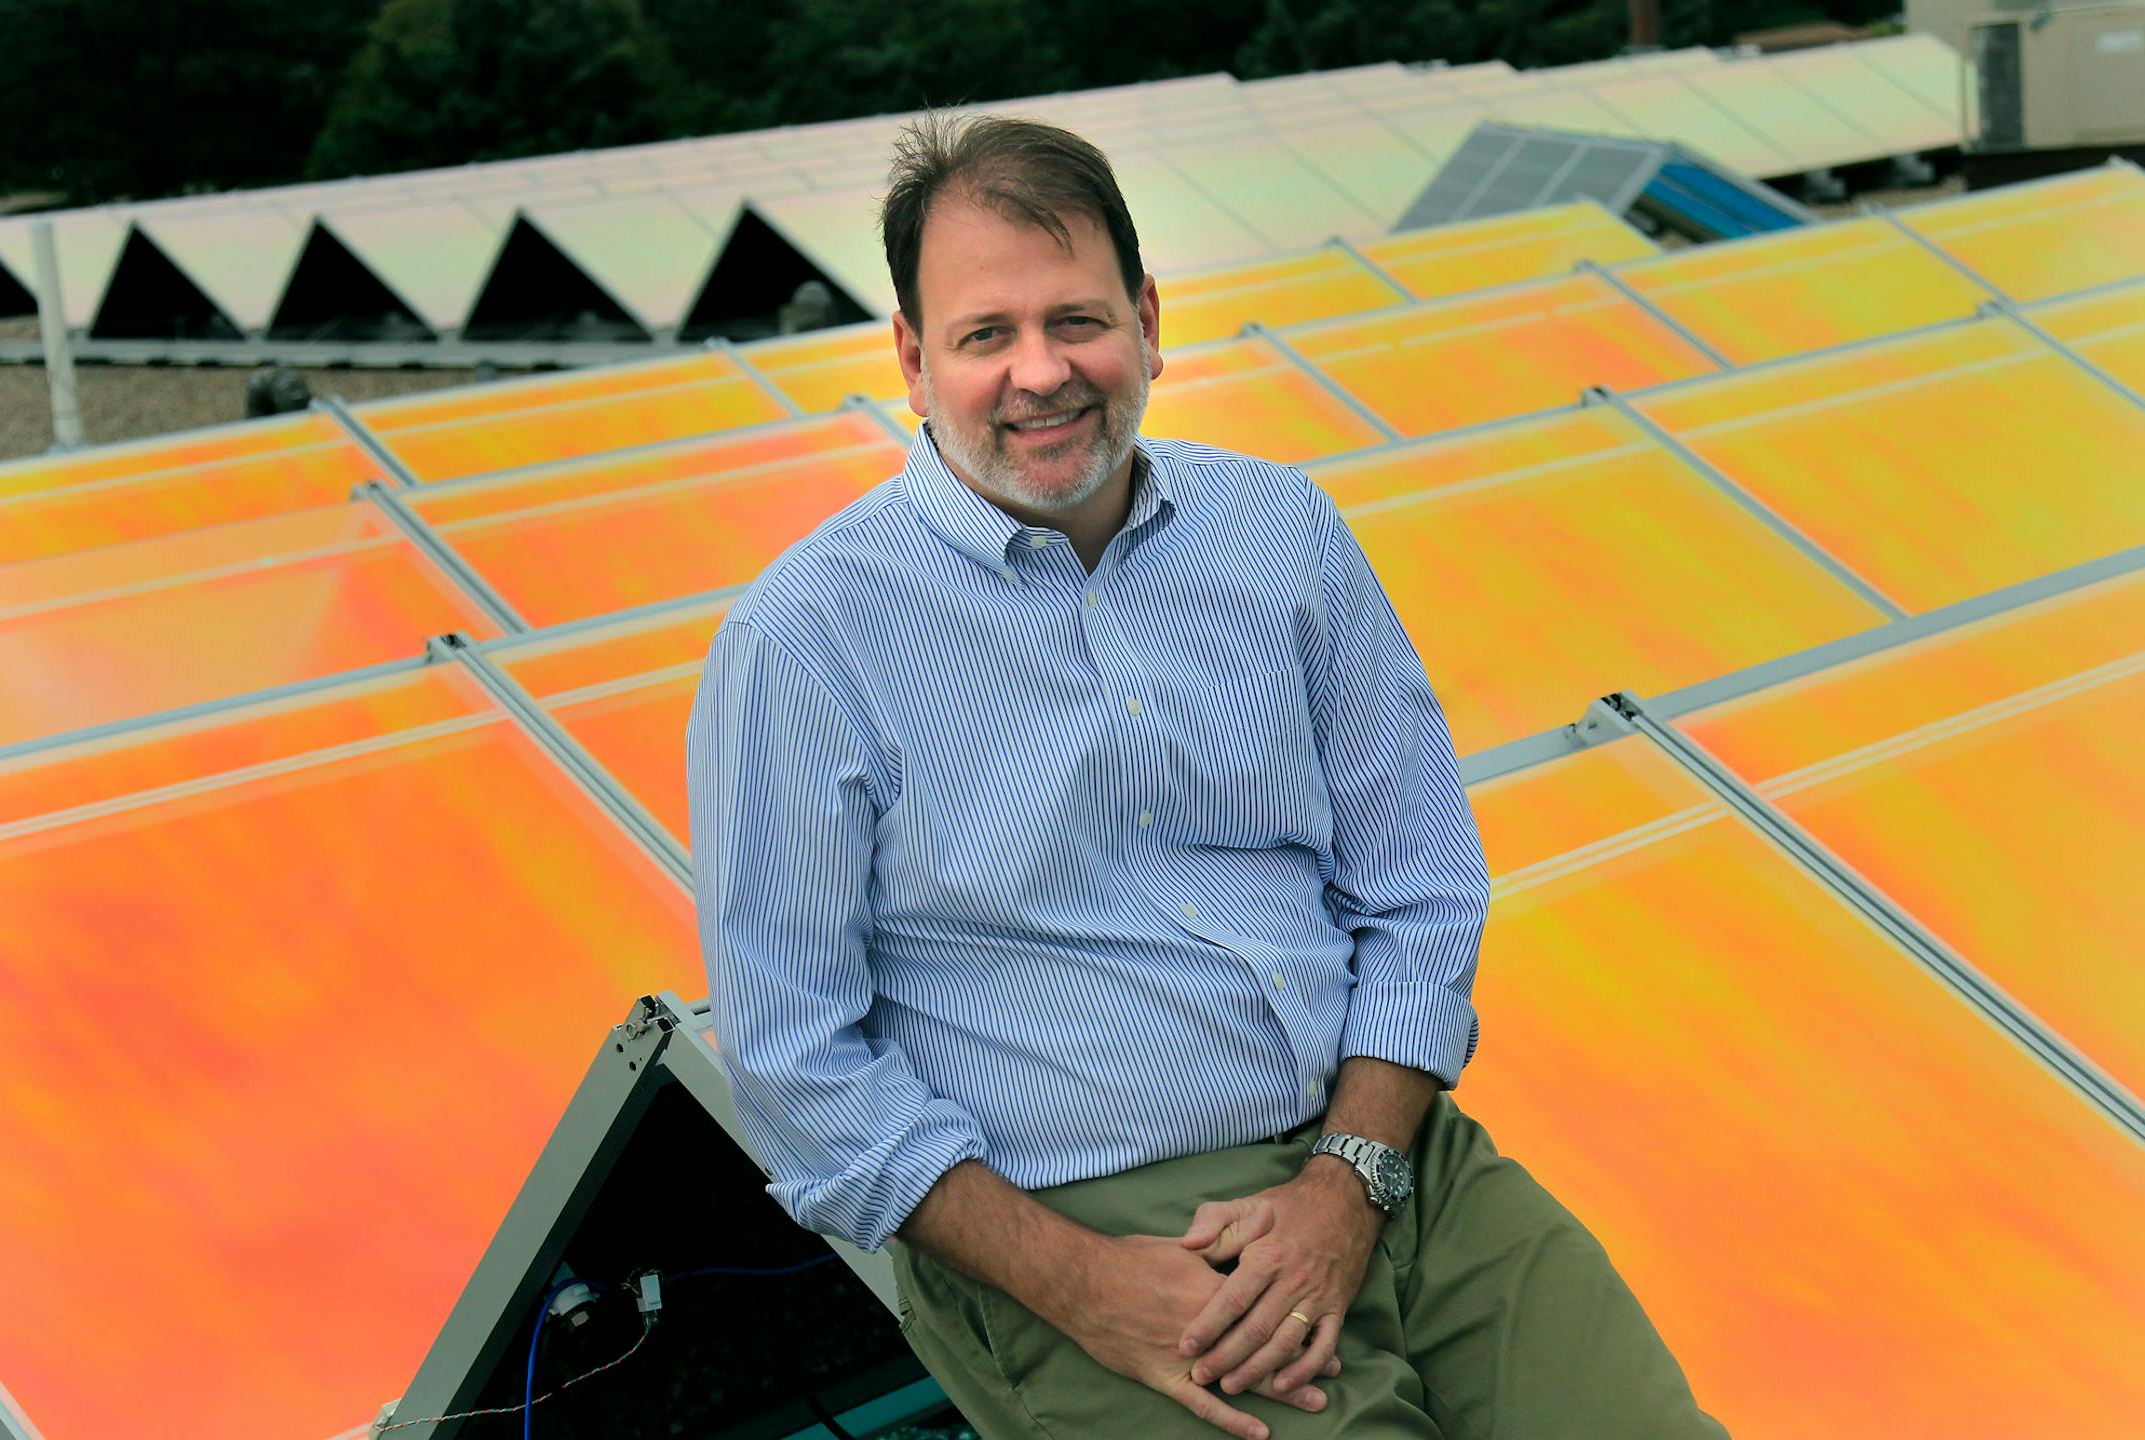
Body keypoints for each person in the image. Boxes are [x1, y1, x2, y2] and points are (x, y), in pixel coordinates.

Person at [688, 114, 1727, 1440]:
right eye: (985, 334)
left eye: (1077, 320)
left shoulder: (1279, 532)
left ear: (1148, 320)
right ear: (911, 358)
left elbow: (1419, 883)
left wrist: (1352, 1177)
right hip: (1102, 1227)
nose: (1040, 372)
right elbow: (795, 1061)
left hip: (1395, 1158)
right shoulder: (806, 640)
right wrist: (1087, 1288)